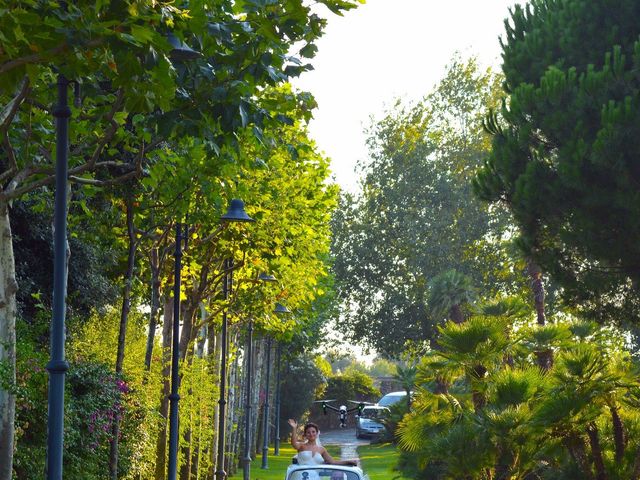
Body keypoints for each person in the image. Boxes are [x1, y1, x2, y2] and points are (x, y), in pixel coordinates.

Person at [288, 419, 357, 467]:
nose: (311, 434)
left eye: (313, 432)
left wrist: (349, 462)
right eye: (308, 432)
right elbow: (293, 443)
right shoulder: (301, 446)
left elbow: (333, 462)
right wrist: (294, 428)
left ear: (317, 433)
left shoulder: (322, 449)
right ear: (305, 434)